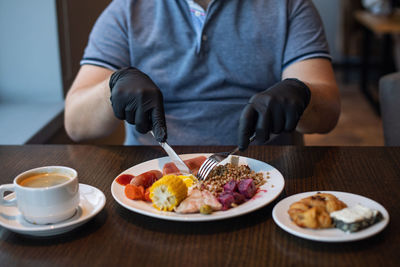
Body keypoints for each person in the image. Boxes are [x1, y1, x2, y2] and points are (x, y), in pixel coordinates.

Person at [64, 0, 340, 150]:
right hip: (153, 172)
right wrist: (111, 88)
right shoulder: (125, 10)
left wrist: (301, 94)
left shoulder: (291, 6)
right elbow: (76, 124)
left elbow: (327, 114)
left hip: (266, 169)